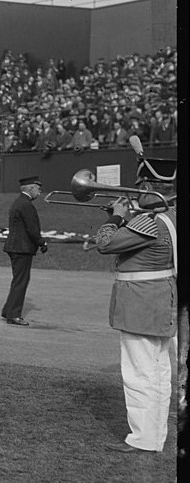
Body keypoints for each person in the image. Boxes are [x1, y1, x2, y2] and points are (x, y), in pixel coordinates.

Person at [96, 155, 178, 453]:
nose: (134, 192)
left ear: (147, 186)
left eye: (138, 187)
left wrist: (115, 217)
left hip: (141, 301)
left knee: (139, 373)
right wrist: (129, 218)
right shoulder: (172, 216)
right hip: (163, 299)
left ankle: (143, 438)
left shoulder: (150, 222)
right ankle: (155, 437)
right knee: (158, 372)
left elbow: (105, 243)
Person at [0, 176, 48, 326]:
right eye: (38, 189)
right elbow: (32, 228)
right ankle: (13, 315)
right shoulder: (26, 205)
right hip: (21, 248)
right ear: (31, 188)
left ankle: (8, 310)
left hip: (16, 247)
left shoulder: (20, 202)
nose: (39, 193)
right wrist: (42, 242)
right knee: (21, 281)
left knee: (18, 280)